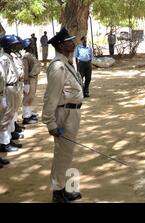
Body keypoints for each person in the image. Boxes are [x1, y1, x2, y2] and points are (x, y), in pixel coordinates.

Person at [42, 27, 83, 203]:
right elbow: (51, 97)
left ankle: (62, 188)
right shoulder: (58, 67)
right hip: (64, 114)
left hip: (72, 113)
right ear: (60, 45)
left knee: (67, 154)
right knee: (62, 155)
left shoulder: (66, 62)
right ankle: (57, 193)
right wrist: (50, 123)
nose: (73, 42)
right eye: (69, 41)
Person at [0, 35, 24, 154]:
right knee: (6, 116)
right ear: (7, 46)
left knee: (11, 114)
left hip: (14, 86)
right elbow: (2, 77)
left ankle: (8, 139)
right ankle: (4, 143)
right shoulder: (3, 59)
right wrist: (2, 94)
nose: (15, 46)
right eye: (13, 45)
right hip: (8, 88)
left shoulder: (9, 57)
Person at [21, 38, 41, 125]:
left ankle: (29, 113)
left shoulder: (31, 55)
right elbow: (25, 70)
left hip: (33, 78)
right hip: (29, 79)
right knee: (27, 98)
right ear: (28, 46)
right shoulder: (26, 56)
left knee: (31, 97)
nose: (33, 45)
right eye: (31, 44)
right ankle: (26, 117)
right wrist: (26, 82)